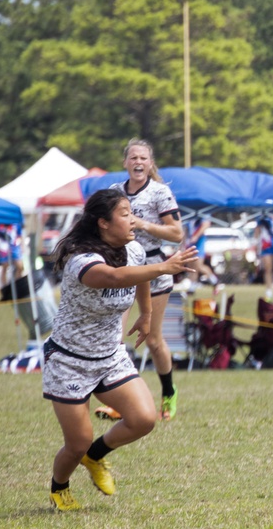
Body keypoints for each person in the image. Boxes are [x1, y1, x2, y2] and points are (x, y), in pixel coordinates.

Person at [43, 188, 196, 511]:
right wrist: (165, 268)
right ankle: (60, 487)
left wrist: (146, 314)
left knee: (143, 419)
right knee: (76, 442)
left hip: (110, 356)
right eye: (125, 214)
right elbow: (114, 277)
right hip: (70, 360)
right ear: (103, 223)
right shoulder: (81, 260)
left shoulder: (134, 250)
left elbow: (138, 275)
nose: (133, 220)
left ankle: (95, 456)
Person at [109, 139, 185, 421]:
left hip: (154, 267)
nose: (138, 162)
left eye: (143, 158)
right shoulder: (115, 193)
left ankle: (168, 391)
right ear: (125, 163)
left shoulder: (159, 192)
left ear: (150, 164)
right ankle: (122, 400)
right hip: (122, 266)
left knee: (153, 340)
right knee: (115, 338)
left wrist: (142, 224)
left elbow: (177, 233)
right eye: (133, 157)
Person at [184, 216, 221, 293]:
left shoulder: (203, 212)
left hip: (199, 242)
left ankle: (214, 281)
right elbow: (186, 229)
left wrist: (196, 236)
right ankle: (192, 287)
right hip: (190, 243)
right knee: (191, 266)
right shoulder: (189, 215)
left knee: (198, 265)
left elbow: (206, 224)